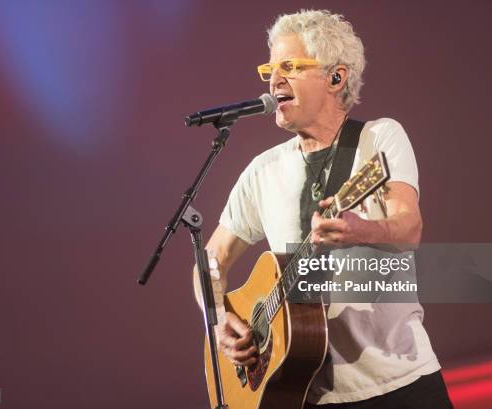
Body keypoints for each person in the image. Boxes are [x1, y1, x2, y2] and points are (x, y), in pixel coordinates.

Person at [193, 9, 453, 408]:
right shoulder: (262, 171)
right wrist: (218, 318)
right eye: (270, 68)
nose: (274, 80)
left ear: (336, 77)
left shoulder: (379, 138)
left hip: (400, 383)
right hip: (302, 393)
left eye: (290, 66)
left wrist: (360, 231)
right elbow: (210, 259)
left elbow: (408, 229)